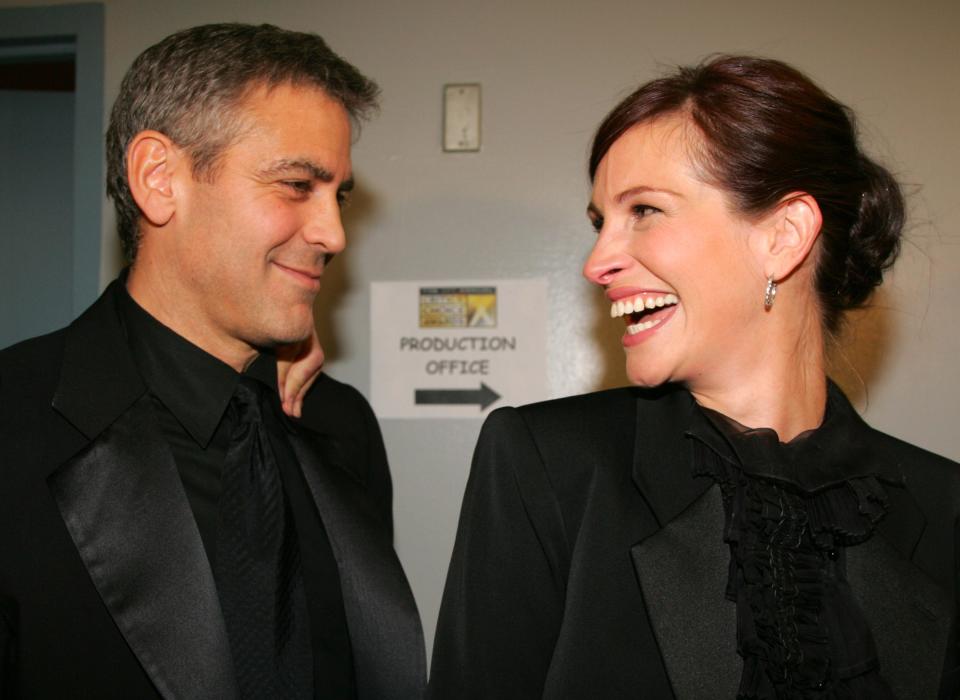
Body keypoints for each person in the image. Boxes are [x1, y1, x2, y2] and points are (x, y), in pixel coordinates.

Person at [429, 56, 960, 699]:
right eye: (601, 223)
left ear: (784, 236)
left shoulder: (942, 505)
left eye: (645, 210)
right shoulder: (550, 467)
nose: (596, 262)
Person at [0, 23, 424, 699]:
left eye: (337, 194)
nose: (334, 233)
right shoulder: (14, 421)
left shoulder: (341, 426)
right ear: (160, 179)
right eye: (295, 185)